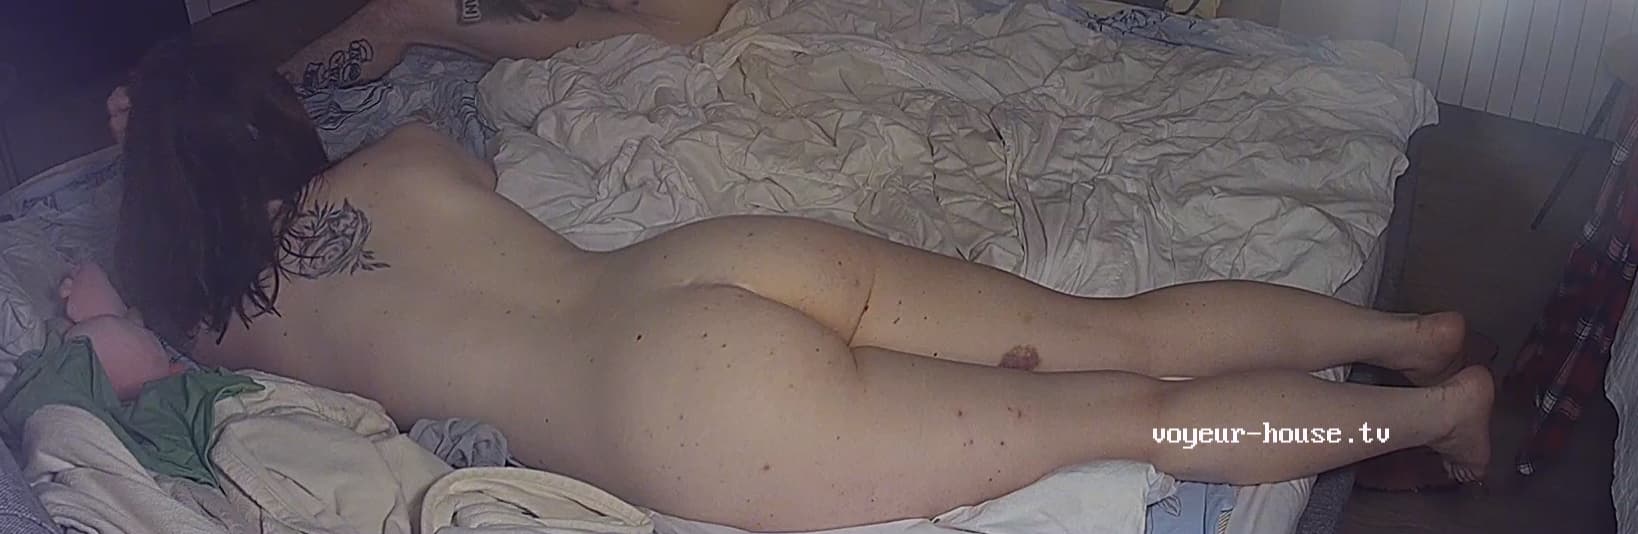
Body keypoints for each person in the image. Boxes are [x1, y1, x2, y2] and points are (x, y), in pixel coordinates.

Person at [109, 36, 1493, 533]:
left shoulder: (219, 322)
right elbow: (454, 171)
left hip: (673, 404)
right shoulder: (408, 158)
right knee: (1110, 335)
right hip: (709, 263)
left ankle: (1436, 418)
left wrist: (137, 186)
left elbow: (138, 310)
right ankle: (1409, 332)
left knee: (1132, 419)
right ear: (275, 122)